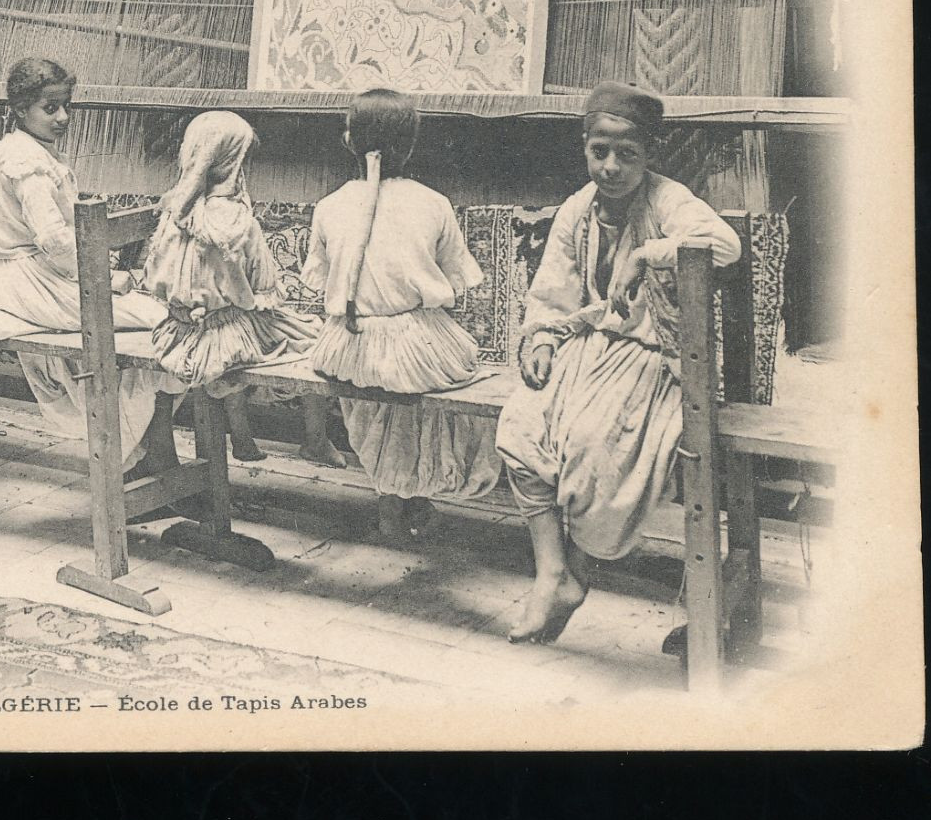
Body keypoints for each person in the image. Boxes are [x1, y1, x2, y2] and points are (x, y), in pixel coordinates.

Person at [494, 80, 741, 644]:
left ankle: (579, 572)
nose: (610, 167)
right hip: (591, 349)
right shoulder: (578, 209)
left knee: (587, 445)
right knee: (521, 425)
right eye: (598, 151)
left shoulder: (668, 199)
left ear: (649, 155)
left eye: (627, 154)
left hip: (661, 360)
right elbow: (552, 294)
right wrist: (540, 339)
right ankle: (552, 572)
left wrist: (645, 254)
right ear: (585, 147)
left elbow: (724, 244)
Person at [0, 57, 177, 472]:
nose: (62, 117)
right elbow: (55, 240)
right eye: (50, 107)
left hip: (26, 275)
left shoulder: (21, 150)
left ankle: (150, 458)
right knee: (155, 320)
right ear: (21, 110)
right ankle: (144, 461)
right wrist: (106, 278)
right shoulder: (28, 165)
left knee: (154, 326)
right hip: (21, 279)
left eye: (66, 106)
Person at [303, 89, 499, 538]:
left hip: (348, 345)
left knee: (378, 403)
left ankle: (393, 504)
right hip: (412, 342)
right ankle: (411, 498)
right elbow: (459, 280)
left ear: (349, 140)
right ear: (410, 146)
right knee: (440, 382)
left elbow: (320, 279)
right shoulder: (433, 203)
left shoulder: (329, 207)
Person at [140, 111, 328, 463]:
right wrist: (253, 299)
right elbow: (257, 291)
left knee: (236, 327)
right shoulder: (238, 221)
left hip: (178, 333)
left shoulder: (175, 212)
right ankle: (316, 440)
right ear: (234, 164)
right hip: (225, 337)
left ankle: (243, 439)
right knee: (313, 336)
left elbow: (154, 278)